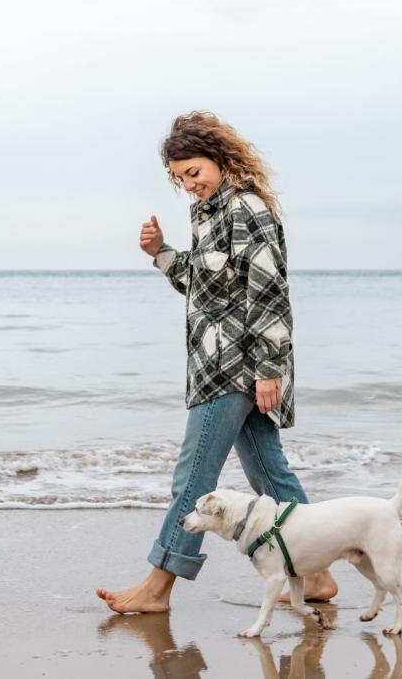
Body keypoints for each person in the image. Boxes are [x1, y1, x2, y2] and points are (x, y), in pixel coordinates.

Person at [95, 111, 338, 613]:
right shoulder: (208, 214)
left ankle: (157, 588)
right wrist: (160, 253)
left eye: (195, 171)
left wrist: (270, 368)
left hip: (237, 368)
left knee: (193, 478)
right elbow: (207, 285)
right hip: (218, 364)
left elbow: (268, 290)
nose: (189, 184)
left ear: (221, 158)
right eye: (180, 177)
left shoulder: (247, 209)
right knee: (271, 477)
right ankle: (314, 573)